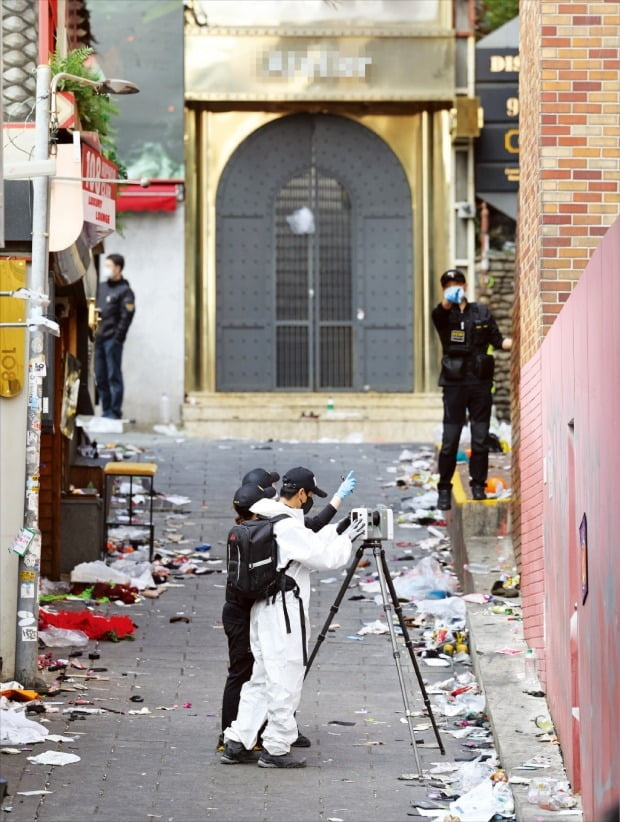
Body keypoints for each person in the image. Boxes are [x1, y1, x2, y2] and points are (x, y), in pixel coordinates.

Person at [221, 467, 365, 768]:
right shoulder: (287, 526)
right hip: (284, 612)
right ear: (302, 494)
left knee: (260, 678)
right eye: (310, 494)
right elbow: (326, 558)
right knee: (286, 677)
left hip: (263, 609)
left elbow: (308, 543)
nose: (310, 499)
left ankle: (237, 739)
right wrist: (350, 536)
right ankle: (276, 746)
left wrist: (338, 528)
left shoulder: (271, 516)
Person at [431, 269, 512, 510]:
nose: (453, 287)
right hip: (454, 385)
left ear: (465, 285)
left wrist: (517, 341)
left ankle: (478, 486)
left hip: (480, 384)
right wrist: (448, 299)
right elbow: (441, 313)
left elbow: (498, 341)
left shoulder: (482, 312)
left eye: (457, 284)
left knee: (480, 439)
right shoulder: (443, 314)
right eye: (448, 285)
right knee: (450, 440)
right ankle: (444, 490)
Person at [94, 254, 135, 419]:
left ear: (118, 268)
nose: (106, 269)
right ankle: (106, 411)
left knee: (113, 376)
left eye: (109, 266)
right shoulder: (102, 287)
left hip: (112, 340)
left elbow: (127, 315)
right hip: (99, 338)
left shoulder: (125, 291)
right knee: (101, 376)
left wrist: (118, 337)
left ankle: (115, 412)